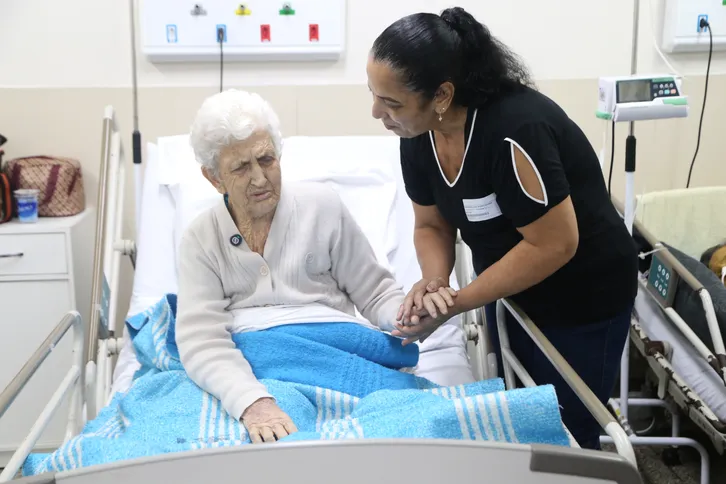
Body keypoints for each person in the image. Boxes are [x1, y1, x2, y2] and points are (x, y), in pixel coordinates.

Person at [367, 7, 639, 450]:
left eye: (391, 102)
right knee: (519, 418)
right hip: (506, 288)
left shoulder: (516, 130)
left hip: (584, 295)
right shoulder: (416, 136)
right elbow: (430, 224)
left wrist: (455, 304)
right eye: (373, 94)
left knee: (566, 435)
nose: (377, 112)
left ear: (441, 95)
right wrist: (435, 282)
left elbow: (555, 243)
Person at [175, 89, 429, 444]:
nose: (260, 179)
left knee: (418, 425)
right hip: (253, 371)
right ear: (214, 178)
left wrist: (406, 317)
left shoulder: (322, 207)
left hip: (334, 354)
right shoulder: (200, 240)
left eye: (266, 160)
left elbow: (375, 292)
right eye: (241, 168)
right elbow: (201, 341)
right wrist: (253, 403)